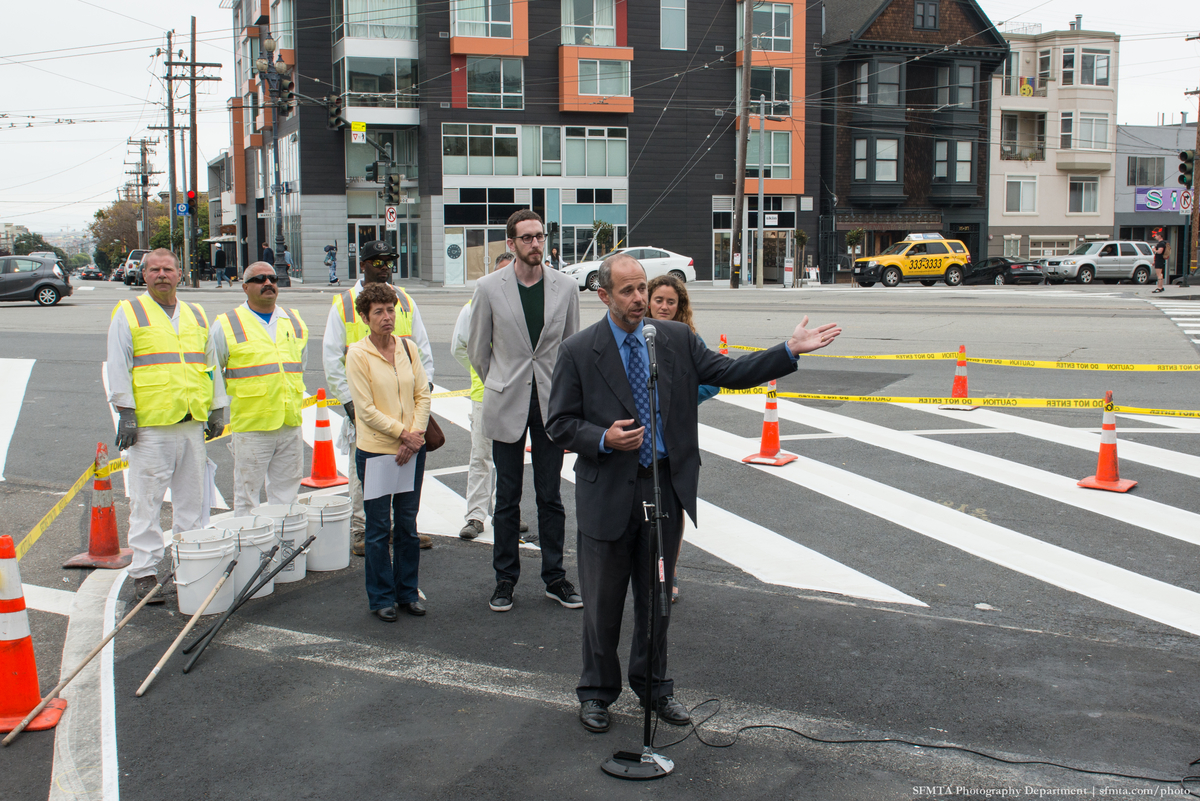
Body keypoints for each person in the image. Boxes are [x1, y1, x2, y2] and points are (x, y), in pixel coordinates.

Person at [545, 253, 841, 734]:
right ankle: (597, 692)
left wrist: (788, 350)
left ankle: (655, 686)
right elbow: (558, 424)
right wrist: (602, 438)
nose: (640, 298)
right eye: (627, 290)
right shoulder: (580, 351)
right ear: (603, 295)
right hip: (609, 492)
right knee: (602, 603)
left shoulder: (676, 339)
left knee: (658, 598)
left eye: (642, 288)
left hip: (665, 486)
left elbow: (730, 373)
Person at [467, 210, 581, 613]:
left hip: (551, 404)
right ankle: (505, 579)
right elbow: (479, 350)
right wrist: (501, 380)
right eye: (527, 238)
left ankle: (556, 578)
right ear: (511, 243)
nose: (536, 244)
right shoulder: (488, 288)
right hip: (506, 400)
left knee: (550, 496)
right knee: (508, 499)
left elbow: (571, 349)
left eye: (540, 236)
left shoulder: (566, 287)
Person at [106, 249, 223, 603]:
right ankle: (144, 572)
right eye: (153, 269)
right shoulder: (129, 313)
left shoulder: (196, 313)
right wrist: (126, 412)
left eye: (167, 269)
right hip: (151, 425)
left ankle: (189, 562)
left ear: (180, 274)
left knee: (192, 499)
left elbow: (211, 363)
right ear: (143, 275)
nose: (161, 275)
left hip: (191, 421)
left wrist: (217, 408)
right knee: (147, 499)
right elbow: (118, 364)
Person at [323, 240, 435, 555]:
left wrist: (421, 404)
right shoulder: (344, 304)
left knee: (405, 473)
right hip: (367, 411)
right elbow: (332, 359)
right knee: (365, 478)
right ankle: (362, 530)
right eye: (377, 261)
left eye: (388, 261)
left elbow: (423, 351)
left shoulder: (406, 302)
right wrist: (352, 407)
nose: (383, 266)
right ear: (363, 265)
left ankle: (403, 528)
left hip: (405, 411)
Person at [346, 282, 430, 622]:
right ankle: (381, 597)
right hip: (378, 452)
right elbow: (365, 409)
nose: (387, 317)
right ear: (365, 317)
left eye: (390, 310)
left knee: (407, 526)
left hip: (412, 449)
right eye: (378, 311)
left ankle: (407, 592)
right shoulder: (357, 354)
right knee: (379, 528)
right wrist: (403, 435)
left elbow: (423, 394)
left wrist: (416, 434)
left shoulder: (408, 349)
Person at [207, 261, 308, 516]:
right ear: (245, 287)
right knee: (247, 497)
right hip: (252, 426)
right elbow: (212, 371)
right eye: (259, 279)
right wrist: (216, 410)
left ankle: (286, 549)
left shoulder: (293, 321)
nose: (268, 283)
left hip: (289, 422)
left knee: (287, 494)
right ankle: (250, 553)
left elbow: (299, 366)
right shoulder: (227, 323)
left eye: (272, 278)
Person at [646, 274, 717, 603]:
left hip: (675, 441)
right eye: (658, 300)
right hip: (640, 441)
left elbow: (714, 380)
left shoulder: (688, 338)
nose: (663, 306)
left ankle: (669, 573)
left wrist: (682, 398)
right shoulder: (637, 334)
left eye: (670, 301)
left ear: (680, 306)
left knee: (672, 512)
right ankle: (648, 572)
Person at [451, 252, 530, 541]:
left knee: (510, 460)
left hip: (516, 397)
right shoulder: (473, 307)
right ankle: (475, 516)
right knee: (481, 457)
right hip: (485, 395)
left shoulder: (525, 308)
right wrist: (486, 374)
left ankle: (506, 512)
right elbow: (461, 348)